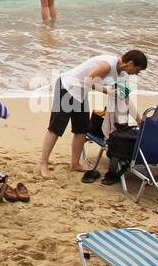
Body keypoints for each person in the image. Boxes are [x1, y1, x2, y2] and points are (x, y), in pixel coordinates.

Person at [40, 50, 147, 178]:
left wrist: (140, 121)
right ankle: (43, 163)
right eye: (138, 70)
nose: (137, 73)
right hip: (67, 87)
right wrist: (108, 91)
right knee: (56, 128)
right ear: (130, 63)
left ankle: (75, 164)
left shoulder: (122, 74)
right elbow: (87, 80)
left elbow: (126, 98)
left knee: (81, 130)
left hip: (81, 93)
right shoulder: (107, 65)